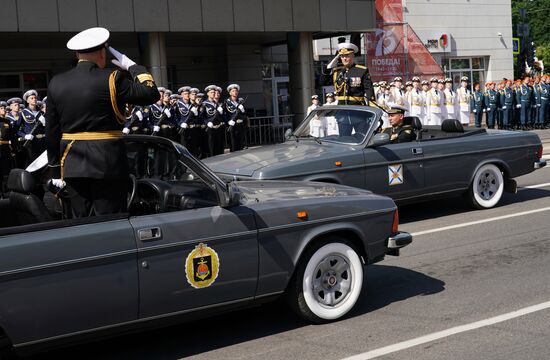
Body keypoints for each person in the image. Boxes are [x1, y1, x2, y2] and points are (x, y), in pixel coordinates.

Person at [45, 27, 159, 218]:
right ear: (101, 52)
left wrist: (55, 171)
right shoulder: (113, 78)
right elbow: (151, 93)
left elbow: (52, 131)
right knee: (111, 220)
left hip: (71, 163)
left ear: (76, 54)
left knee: (81, 220)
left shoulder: (57, 82)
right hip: (108, 162)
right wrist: (134, 67)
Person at [321, 42, 374, 106]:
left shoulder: (362, 71)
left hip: (357, 107)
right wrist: (329, 66)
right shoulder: (337, 72)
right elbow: (323, 82)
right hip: (341, 108)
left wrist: (371, 105)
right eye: (342, 56)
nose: (344, 58)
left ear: (353, 56)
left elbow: (369, 90)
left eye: (347, 56)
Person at [223, 84, 248, 152]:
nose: (235, 92)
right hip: (232, 126)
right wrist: (228, 121)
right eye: (233, 91)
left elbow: (245, 115)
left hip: (240, 126)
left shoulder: (240, 101)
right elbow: (224, 114)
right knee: (233, 145)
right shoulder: (226, 102)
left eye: (236, 91)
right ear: (230, 92)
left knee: (240, 144)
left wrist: (243, 110)